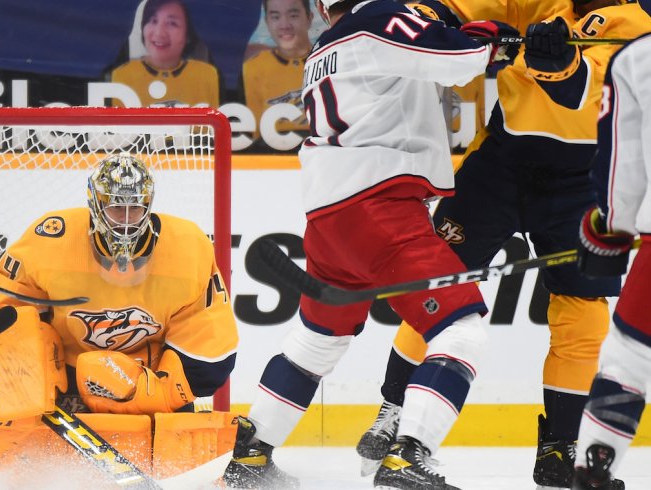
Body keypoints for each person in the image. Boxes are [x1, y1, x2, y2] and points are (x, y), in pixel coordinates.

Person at [221, 0, 519, 488]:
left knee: (317, 342)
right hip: (379, 209)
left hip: (328, 219)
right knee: (460, 329)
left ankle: (251, 459)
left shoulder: (322, 48)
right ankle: (408, 456)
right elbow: (457, 59)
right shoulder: (381, 18)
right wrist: (494, 38)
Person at [356, 1, 651, 488]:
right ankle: (394, 410)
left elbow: (586, 94)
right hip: (500, 164)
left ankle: (561, 446)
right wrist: (427, 14)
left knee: (583, 309)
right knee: (438, 286)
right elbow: (458, 5)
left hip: (583, 179)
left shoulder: (636, 23)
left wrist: (561, 66)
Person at [0, 153, 238, 420]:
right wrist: (32, 367)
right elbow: (6, 297)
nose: (125, 221)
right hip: (66, 379)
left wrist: (149, 394)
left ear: (149, 205)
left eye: (134, 208)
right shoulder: (53, 239)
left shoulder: (187, 247)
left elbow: (209, 345)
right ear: (95, 203)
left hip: (147, 381)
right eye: (115, 208)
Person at [570, 1, 651, 488]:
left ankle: (596, 463)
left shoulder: (638, 59)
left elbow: (622, 169)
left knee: (629, 358)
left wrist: (610, 230)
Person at [110, 0, 221, 108]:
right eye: (153, 21)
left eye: (172, 23)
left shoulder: (206, 76)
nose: (159, 33)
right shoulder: (122, 76)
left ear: (188, 34)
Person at [242, 0, 313, 144]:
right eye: (275, 17)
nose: (284, 25)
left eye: (293, 16)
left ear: (309, 18)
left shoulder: (328, 60)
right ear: (267, 21)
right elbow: (252, 137)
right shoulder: (253, 68)